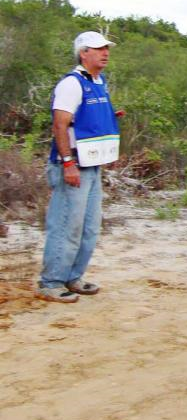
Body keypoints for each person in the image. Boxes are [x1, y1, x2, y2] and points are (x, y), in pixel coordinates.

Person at [36, 31, 122, 303]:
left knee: (89, 227)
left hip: (93, 164)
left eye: (106, 49)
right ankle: (51, 282)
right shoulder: (71, 84)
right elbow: (60, 124)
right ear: (83, 52)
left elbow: (89, 116)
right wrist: (67, 163)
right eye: (98, 49)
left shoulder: (99, 81)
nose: (105, 53)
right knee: (66, 225)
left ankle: (73, 276)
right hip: (73, 165)